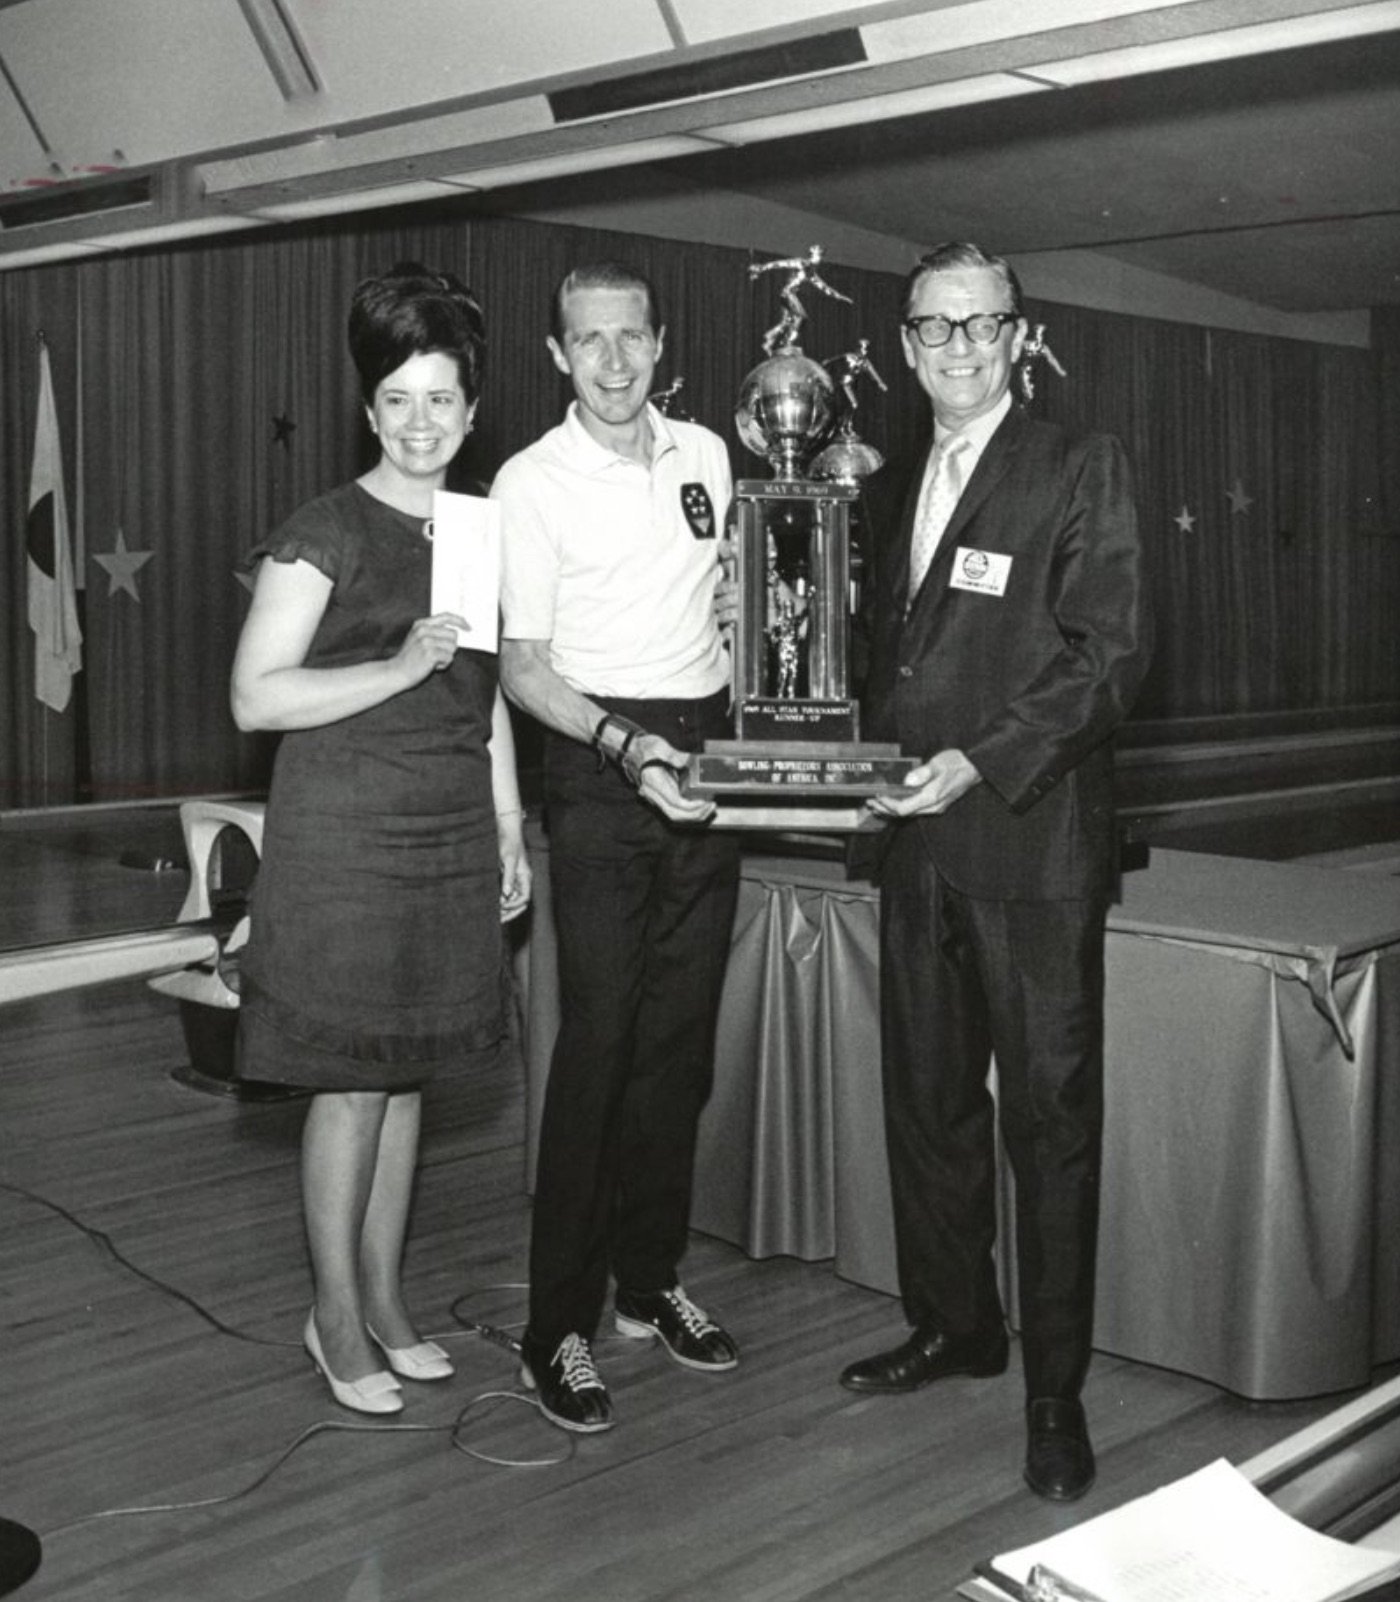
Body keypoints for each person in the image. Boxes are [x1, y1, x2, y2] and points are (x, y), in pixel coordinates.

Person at [841, 241, 1152, 1501]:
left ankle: (1053, 1393)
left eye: (980, 326)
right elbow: (885, 655)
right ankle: (955, 1324)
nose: (956, 348)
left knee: (1048, 1123)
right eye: (932, 328)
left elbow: (1106, 655)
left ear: (1018, 337)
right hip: (912, 843)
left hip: (1027, 841)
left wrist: (974, 762)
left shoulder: (1077, 466)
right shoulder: (887, 477)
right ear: (907, 345)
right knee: (926, 1105)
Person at [231, 263, 530, 1416]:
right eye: (398, 399)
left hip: (450, 829)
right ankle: (334, 1319)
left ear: (469, 408)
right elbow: (255, 698)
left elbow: (488, 692)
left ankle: (387, 1300)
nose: (420, 423)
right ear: (369, 409)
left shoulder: (473, 526)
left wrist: (506, 822)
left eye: (441, 399)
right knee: (349, 1088)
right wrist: (396, 662)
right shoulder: (324, 528)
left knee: (409, 1083)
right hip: (347, 838)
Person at [494, 261, 741, 1434]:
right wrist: (625, 746)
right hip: (597, 759)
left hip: (703, 758)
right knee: (596, 1050)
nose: (611, 360)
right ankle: (557, 1330)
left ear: (657, 342)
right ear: (557, 355)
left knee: (675, 1048)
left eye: (629, 337)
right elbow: (524, 665)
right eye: (586, 342)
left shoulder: (707, 453)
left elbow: (729, 607)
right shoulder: (529, 479)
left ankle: (648, 1284)